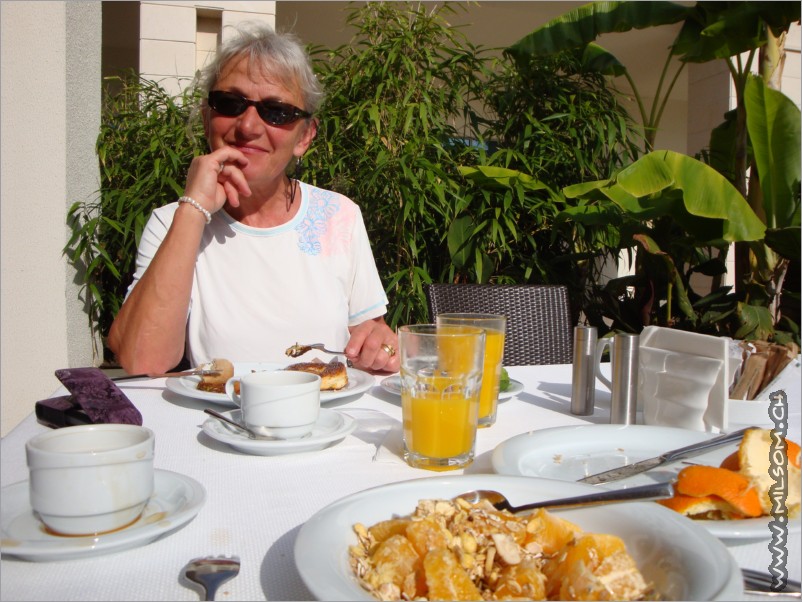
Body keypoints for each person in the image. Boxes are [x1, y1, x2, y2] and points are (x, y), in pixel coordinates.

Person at [108, 22, 399, 375]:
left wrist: (380, 346)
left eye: (276, 111)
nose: (247, 126)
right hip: (218, 423)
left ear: (305, 136)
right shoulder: (174, 222)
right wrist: (193, 209)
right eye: (230, 103)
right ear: (206, 119)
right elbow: (142, 361)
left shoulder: (339, 216)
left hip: (321, 421)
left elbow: (370, 337)